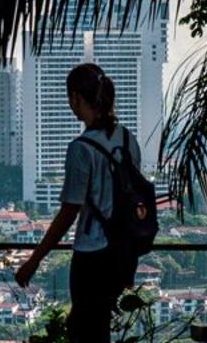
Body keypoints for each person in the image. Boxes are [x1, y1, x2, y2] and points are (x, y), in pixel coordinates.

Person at [15, 62, 141, 343]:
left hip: (92, 253)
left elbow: (69, 211)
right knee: (98, 326)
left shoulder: (81, 149)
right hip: (121, 252)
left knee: (84, 330)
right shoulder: (128, 140)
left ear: (75, 98)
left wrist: (34, 261)